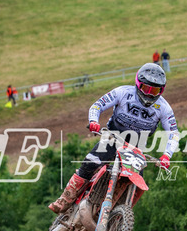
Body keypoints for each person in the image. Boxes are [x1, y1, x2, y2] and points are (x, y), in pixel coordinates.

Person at [49, 63, 179, 213]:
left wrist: (167, 155)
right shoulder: (123, 92)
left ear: (161, 90)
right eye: (146, 88)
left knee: (137, 185)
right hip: (113, 138)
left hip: (136, 149)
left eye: (154, 90)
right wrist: (93, 121)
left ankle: (118, 219)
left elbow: (173, 133)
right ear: (138, 84)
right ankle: (64, 200)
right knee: (90, 162)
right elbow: (98, 105)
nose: (149, 94)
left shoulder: (164, 108)